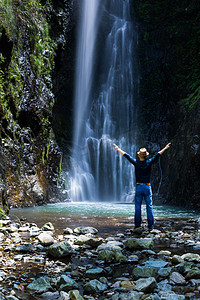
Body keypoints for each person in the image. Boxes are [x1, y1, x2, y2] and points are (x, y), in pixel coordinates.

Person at [113, 142, 171, 230]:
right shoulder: (149, 162)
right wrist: (165, 148)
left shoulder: (136, 163)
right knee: (149, 206)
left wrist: (118, 149)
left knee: (137, 207)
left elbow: (127, 156)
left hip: (139, 186)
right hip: (147, 186)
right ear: (146, 156)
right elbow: (157, 155)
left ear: (139, 156)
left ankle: (137, 225)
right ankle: (151, 226)